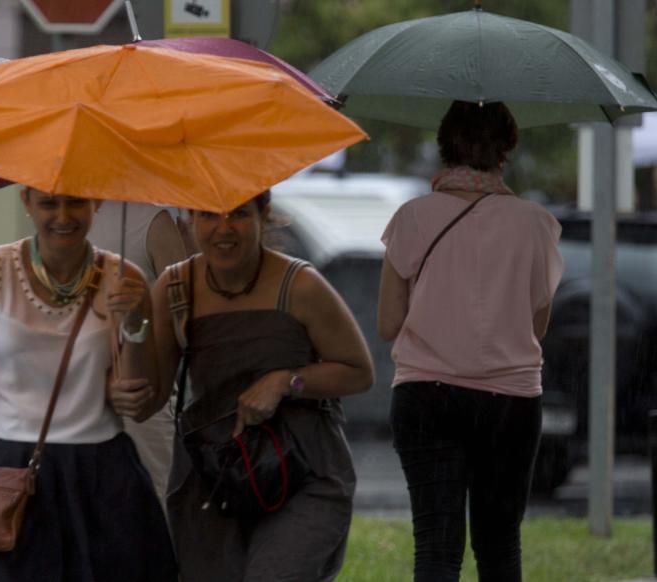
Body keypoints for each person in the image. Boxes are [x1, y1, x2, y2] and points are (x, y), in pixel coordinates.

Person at [0, 188, 177, 581]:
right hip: (4, 470)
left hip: (100, 476)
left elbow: (139, 400)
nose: (64, 216)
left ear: (96, 202)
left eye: (76, 202)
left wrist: (134, 323)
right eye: (49, 203)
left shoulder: (124, 279)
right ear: (26, 203)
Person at [377, 101, 563, 582]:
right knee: (500, 547)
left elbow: (388, 321)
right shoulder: (536, 224)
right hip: (511, 401)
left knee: (436, 549)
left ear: (444, 149)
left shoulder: (411, 218)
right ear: (506, 153)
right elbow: (536, 325)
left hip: (426, 396)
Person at [152, 191, 374, 581]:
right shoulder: (175, 287)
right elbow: (149, 394)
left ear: (263, 214)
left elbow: (359, 372)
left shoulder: (301, 284)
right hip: (214, 477)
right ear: (190, 218)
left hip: (303, 468)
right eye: (208, 214)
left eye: (238, 213)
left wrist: (285, 381)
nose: (224, 228)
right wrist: (129, 328)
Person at [89, 200, 188, 503]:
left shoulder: (151, 221)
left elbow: (185, 316)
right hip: (77, 401)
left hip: (141, 399)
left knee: (153, 508)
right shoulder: (59, 224)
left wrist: (138, 320)